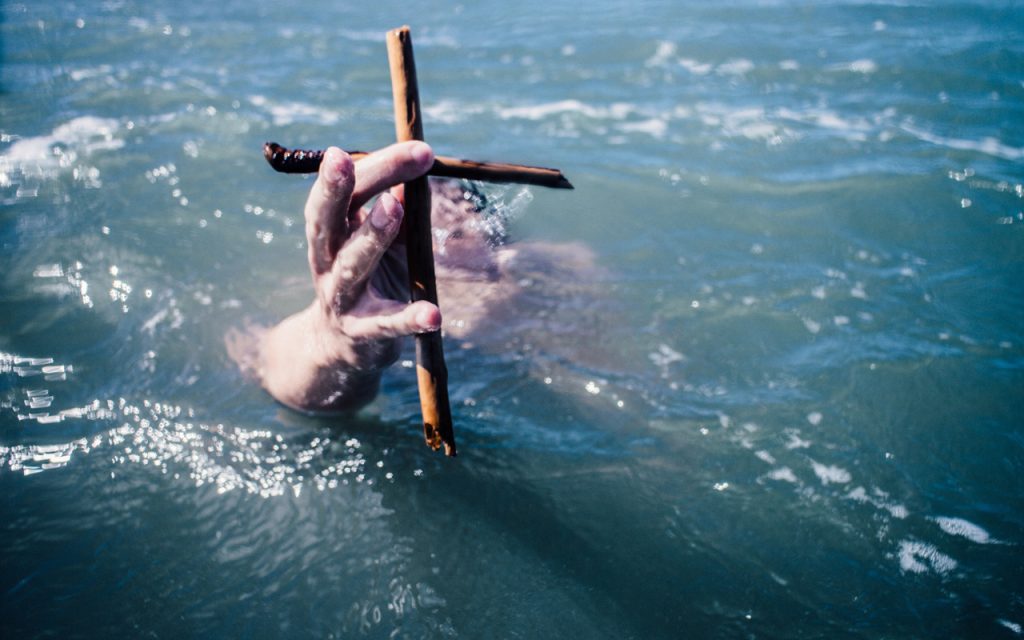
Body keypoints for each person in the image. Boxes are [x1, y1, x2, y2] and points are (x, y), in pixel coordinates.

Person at [231, 140, 596, 414]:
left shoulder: (547, 275)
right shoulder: (367, 290)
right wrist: (333, 340)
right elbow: (265, 365)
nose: (453, 218)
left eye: (460, 222)